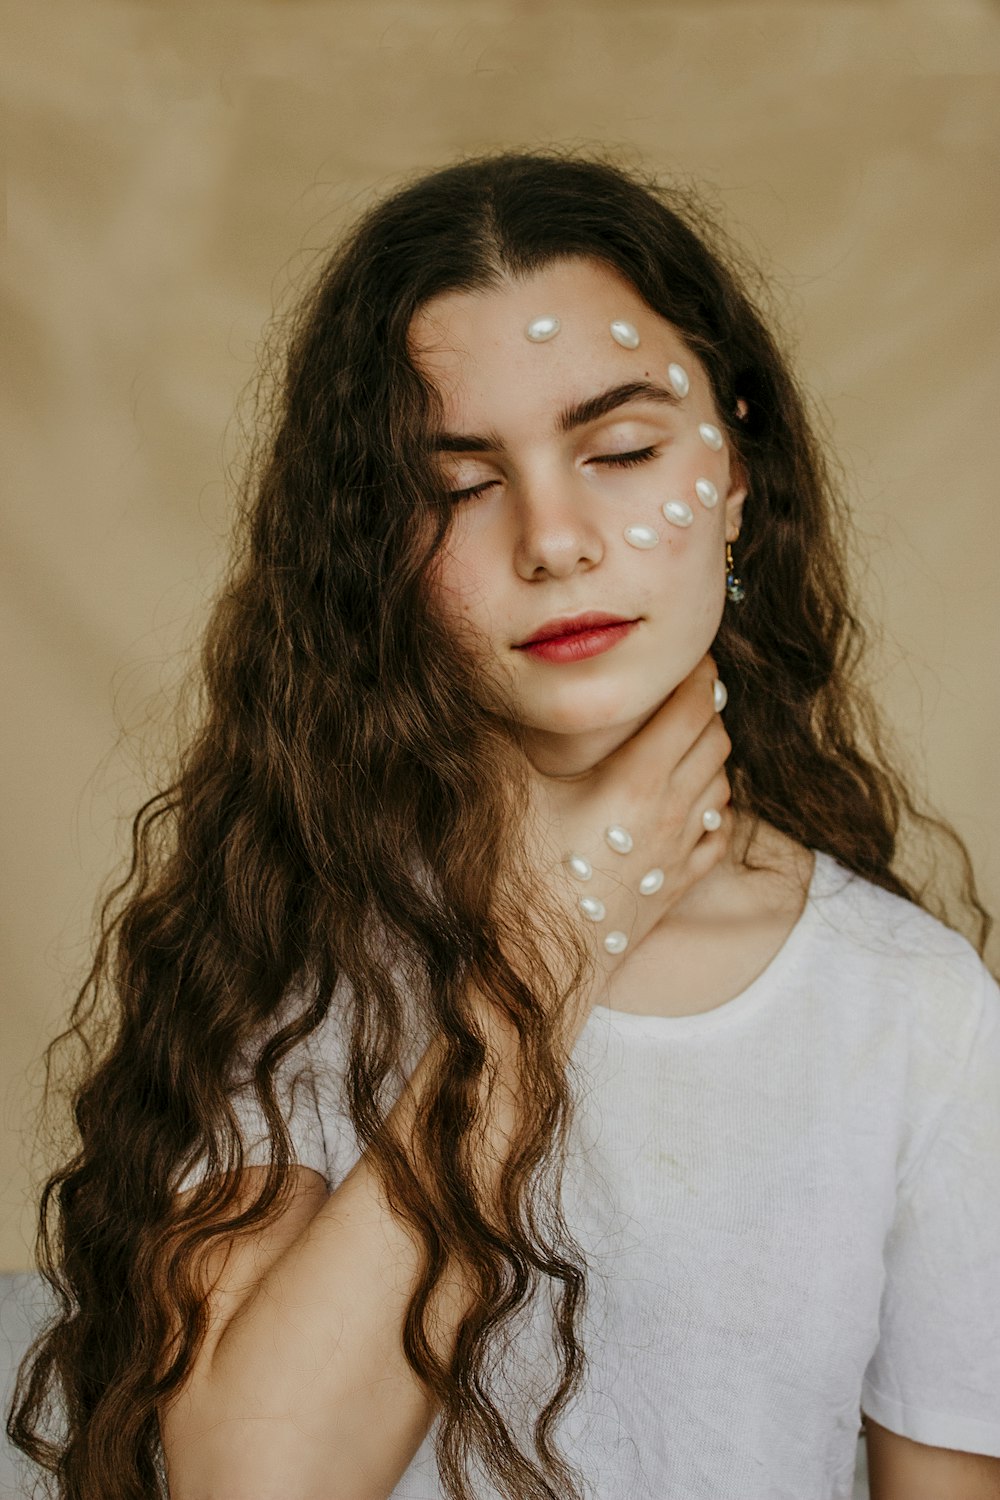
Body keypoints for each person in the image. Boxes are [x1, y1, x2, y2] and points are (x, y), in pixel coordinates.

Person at [8, 149, 999, 1500]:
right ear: (376, 550)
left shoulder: (917, 1010)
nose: (555, 537)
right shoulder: (298, 949)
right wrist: (555, 936)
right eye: (461, 484)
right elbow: (251, 1479)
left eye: (623, 449)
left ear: (741, 477)